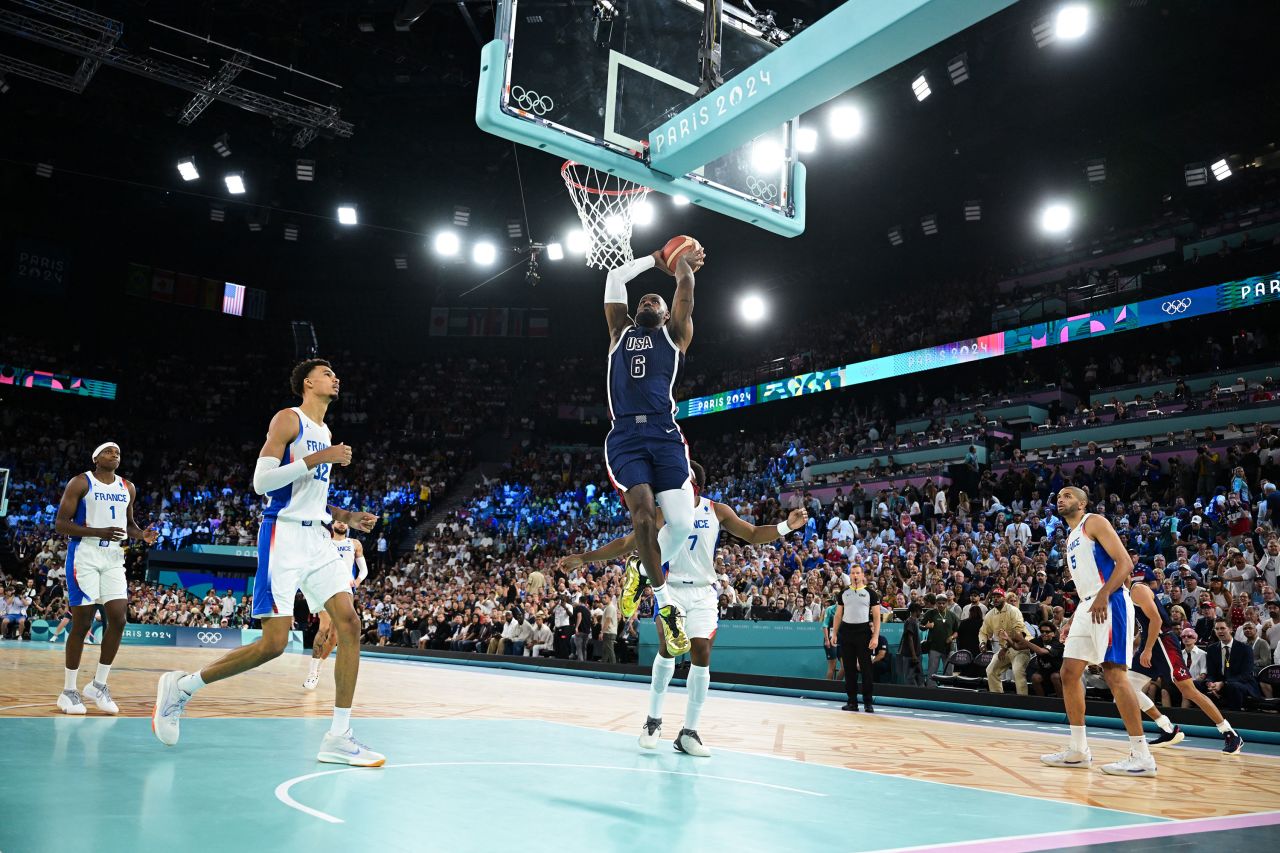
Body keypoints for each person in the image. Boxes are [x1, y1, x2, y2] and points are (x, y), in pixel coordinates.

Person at [151, 359, 383, 766]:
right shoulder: (288, 420)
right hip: (283, 537)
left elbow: (307, 495)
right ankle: (183, 687)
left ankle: (339, 735)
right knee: (274, 644)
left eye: (335, 374)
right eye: (327, 374)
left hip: (318, 536)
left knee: (349, 623)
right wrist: (318, 458)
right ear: (308, 383)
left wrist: (344, 517)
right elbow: (262, 483)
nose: (335, 378)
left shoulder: (324, 431)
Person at [561, 459, 807, 756]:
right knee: (668, 649)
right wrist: (584, 558)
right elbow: (628, 542)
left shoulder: (717, 510)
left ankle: (689, 733)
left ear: (694, 484)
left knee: (701, 652)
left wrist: (786, 526)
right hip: (671, 589)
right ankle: (653, 721)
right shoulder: (664, 513)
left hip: (703, 592)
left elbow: (753, 534)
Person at [600, 239, 707, 653]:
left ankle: (640, 571)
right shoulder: (618, 331)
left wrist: (679, 264)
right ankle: (663, 603)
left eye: (654, 300)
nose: (647, 301)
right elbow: (614, 276)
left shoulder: (675, 333)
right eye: (642, 299)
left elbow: (686, 287)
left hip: (665, 435)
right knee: (644, 519)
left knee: (681, 523)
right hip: (626, 436)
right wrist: (654, 260)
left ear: (664, 314)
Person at [1041, 486, 1156, 777]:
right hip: (1088, 604)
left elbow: (1125, 563)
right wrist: (1073, 616)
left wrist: (1104, 594)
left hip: (1111, 600)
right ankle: (1078, 750)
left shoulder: (1094, 522)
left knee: (1115, 674)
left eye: (1067, 496)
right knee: (1068, 673)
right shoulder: (1071, 536)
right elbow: (1087, 583)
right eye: (1058, 496)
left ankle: (1142, 756)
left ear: (1082, 503)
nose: (1060, 499)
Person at [52, 442, 159, 714]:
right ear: (96, 458)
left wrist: (141, 535)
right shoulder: (80, 482)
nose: (115, 454)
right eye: (109, 451)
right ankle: (68, 691)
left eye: (118, 452)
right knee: (82, 622)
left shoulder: (128, 487)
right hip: (84, 555)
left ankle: (99, 685)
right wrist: (98, 532)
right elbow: (61, 523)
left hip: (113, 558)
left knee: (119, 618)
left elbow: (129, 526)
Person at [1126, 570, 1243, 753]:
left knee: (1189, 691)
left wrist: (1147, 649)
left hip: (1162, 642)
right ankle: (1168, 729)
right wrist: (1137, 645)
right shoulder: (1127, 593)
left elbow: (1156, 620)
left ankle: (1230, 733)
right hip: (1151, 643)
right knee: (1126, 689)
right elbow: (1146, 625)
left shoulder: (1137, 589)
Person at [305, 520, 368, 690]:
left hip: (345, 589)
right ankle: (312, 673)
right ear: (332, 524)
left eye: (345, 522)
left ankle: (318, 667)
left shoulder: (354, 544)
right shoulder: (324, 542)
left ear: (348, 526)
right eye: (338, 521)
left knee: (334, 637)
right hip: (325, 586)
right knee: (324, 628)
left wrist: (358, 580)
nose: (342, 524)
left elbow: (364, 570)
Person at [833, 565, 881, 713]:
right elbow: (838, 615)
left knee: (866, 668)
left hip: (863, 632)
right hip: (846, 632)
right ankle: (852, 701)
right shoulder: (843, 593)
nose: (855, 575)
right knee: (849, 669)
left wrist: (875, 636)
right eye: (853, 573)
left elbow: (877, 616)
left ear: (862, 576)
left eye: (857, 573)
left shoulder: (870, 593)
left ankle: (868, 702)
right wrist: (834, 633)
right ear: (850, 575)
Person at [1200, 617, 1262, 711]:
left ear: (1230, 629)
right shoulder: (1211, 649)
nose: (1220, 631)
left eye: (1222, 628)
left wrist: (1223, 683)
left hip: (1242, 684)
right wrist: (1210, 683)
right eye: (1217, 629)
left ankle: (1234, 719)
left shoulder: (1245, 649)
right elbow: (1211, 673)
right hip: (1219, 683)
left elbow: (1246, 675)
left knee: (1232, 686)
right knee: (1195, 684)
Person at [980, 589, 1029, 695]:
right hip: (1005, 650)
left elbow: (1018, 633)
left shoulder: (1013, 611)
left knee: (1017, 671)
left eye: (998, 596)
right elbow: (983, 632)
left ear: (1004, 598)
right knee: (991, 670)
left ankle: (1023, 701)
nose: (995, 599)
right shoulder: (990, 614)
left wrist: (1005, 648)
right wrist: (982, 643)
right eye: (994, 597)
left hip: (1020, 648)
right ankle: (997, 698)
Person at [922, 593, 958, 686]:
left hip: (949, 648)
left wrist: (952, 637)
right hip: (934, 647)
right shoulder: (930, 613)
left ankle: (948, 689)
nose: (941, 605)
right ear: (936, 603)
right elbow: (920, 625)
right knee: (932, 671)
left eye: (943, 603)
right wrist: (926, 626)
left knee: (949, 672)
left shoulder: (952, 615)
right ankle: (931, 690)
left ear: (946, 603)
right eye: (939, 603)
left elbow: (957, 631)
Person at [822, 594, 842, 681]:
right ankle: (828, 689)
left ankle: (836, 686)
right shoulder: (830, 609)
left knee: (845, 667)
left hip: (842, 641)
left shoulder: (847, 611)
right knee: (832, 667)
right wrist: (827, 640)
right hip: (830, 640)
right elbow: (825, 625)